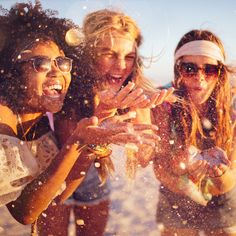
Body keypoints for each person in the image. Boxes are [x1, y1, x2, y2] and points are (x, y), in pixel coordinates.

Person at [0, 2, 158, 230]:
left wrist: (104, 126)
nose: (57, 72)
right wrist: (84, 138)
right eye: (41, 63)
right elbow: (26, 212)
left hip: (83, 179)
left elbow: (58, 191)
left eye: (62, 62)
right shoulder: (12, 113)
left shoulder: (38, 117)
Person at [36, 9, 175, 236]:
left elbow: (142, 159)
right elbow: (70, 151)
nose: (121, 66)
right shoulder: (68, 86)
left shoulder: (129, 90)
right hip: (52, 171)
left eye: (129, 57)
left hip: (93, 176)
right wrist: (103, 113)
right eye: (108, 54)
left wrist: (144, 115)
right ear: (89, 54)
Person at [152, 30, 236, 236]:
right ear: (178, 70)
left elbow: (229, 182)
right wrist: (184, 180)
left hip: (222, 196)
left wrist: (220, 175)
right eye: (189, 68)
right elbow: (160, 170)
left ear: (220, 73)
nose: (200, 77)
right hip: (175, 193)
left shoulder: (232, 107)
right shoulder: (165, 103)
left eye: (209, 70)